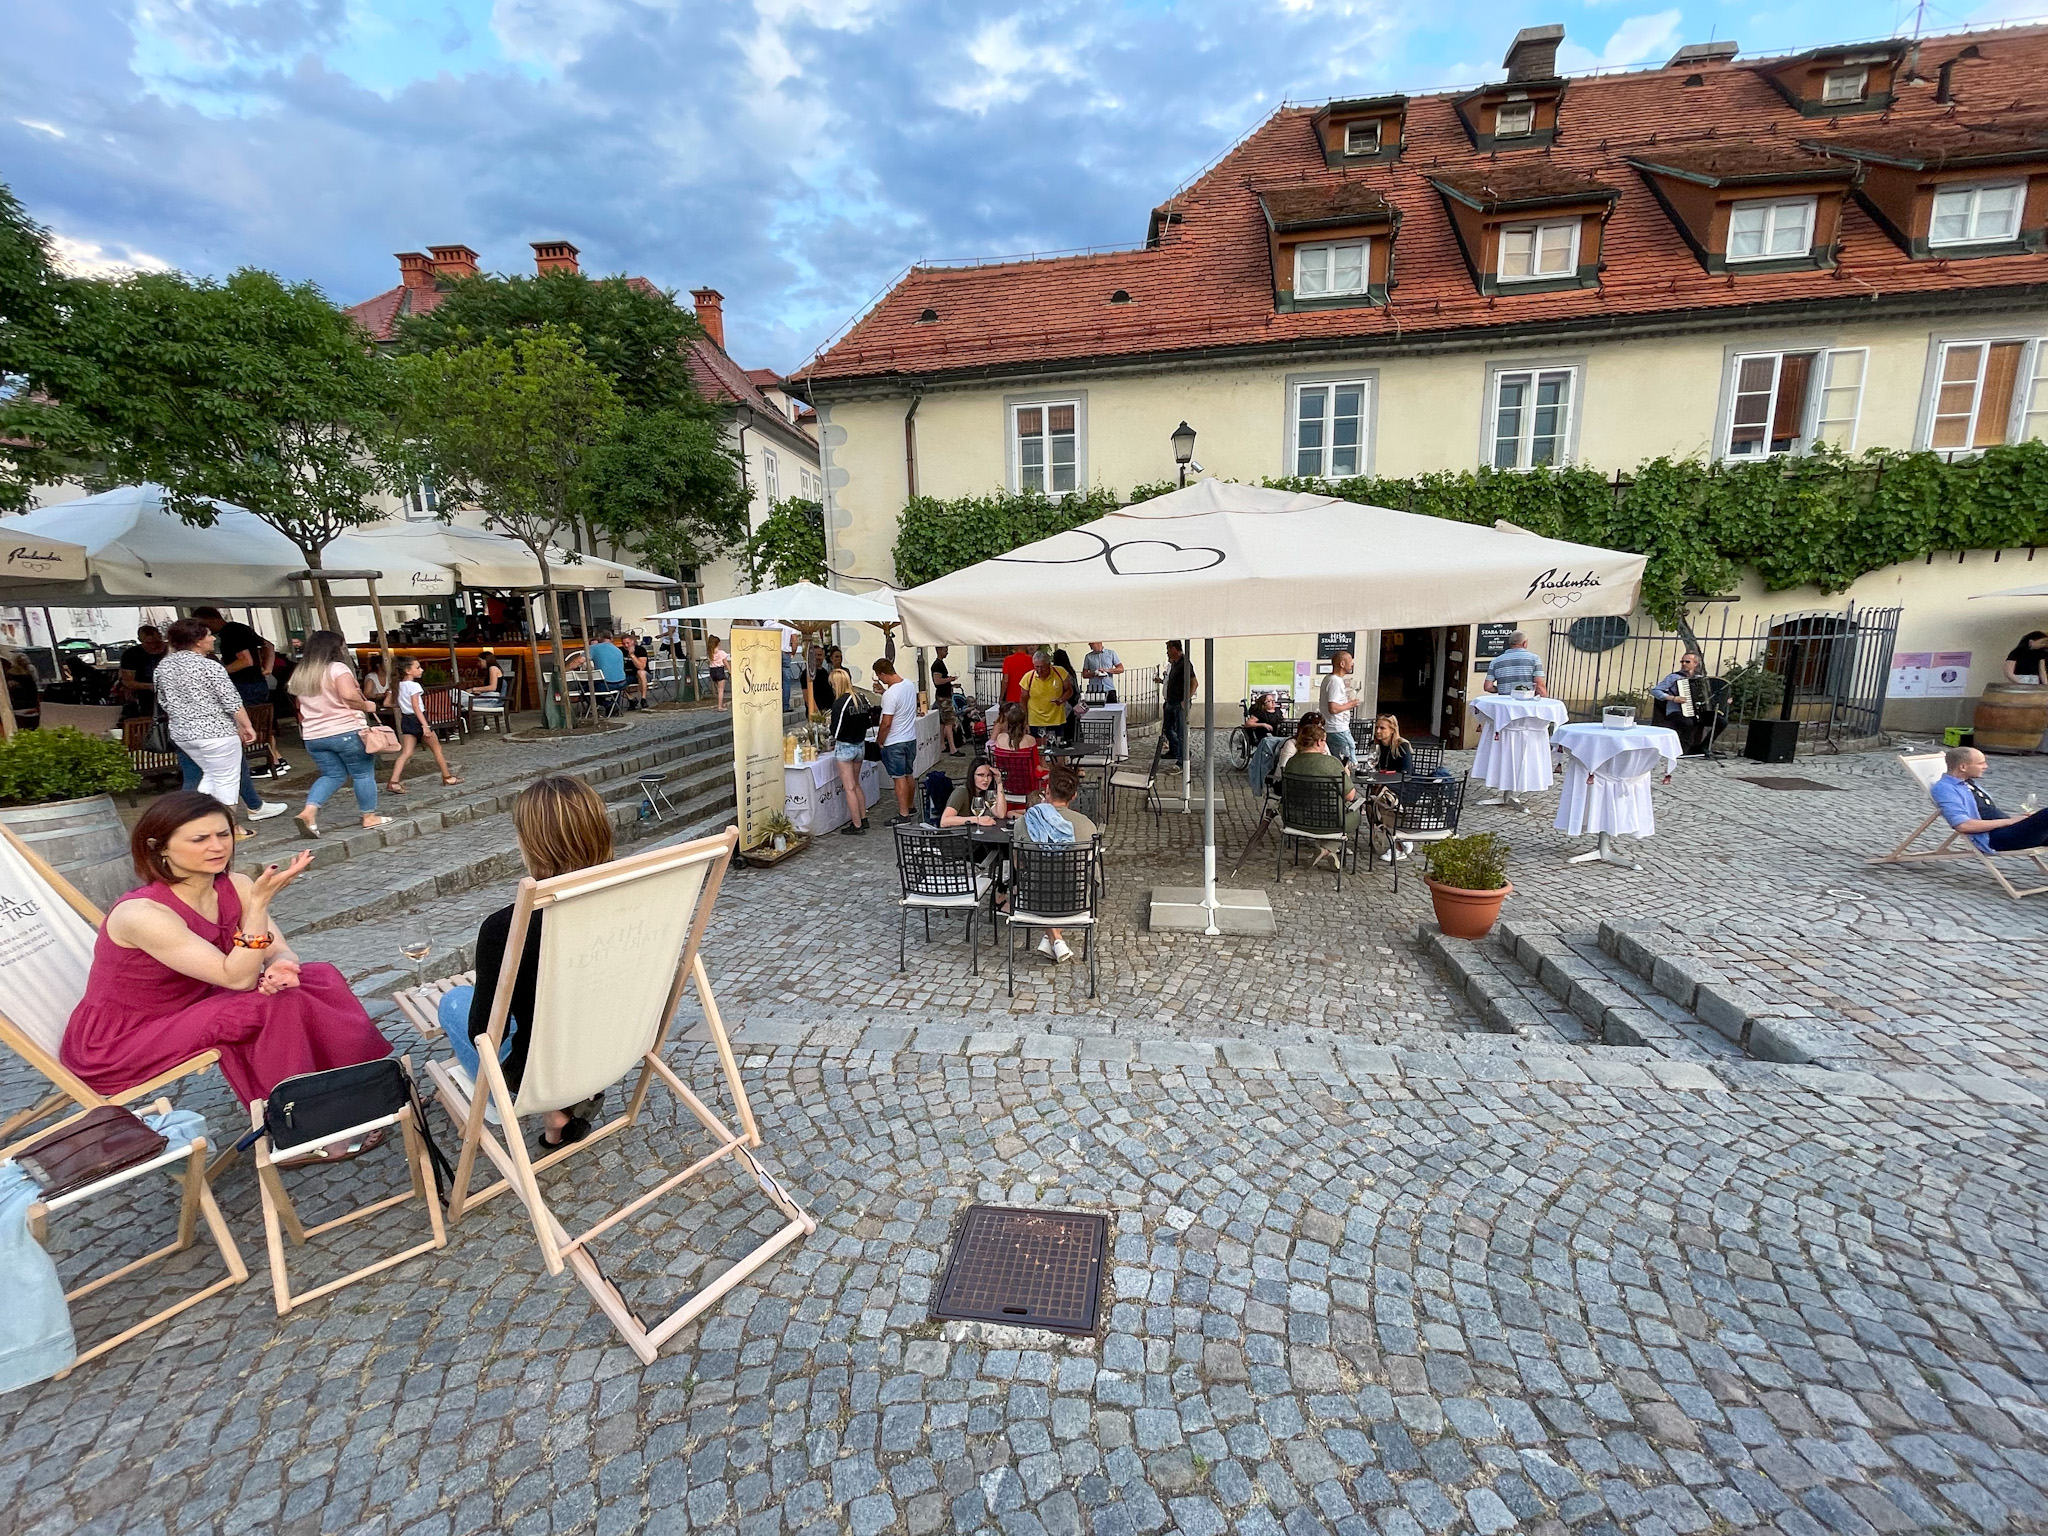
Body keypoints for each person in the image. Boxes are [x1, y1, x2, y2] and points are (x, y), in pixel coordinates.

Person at [61, 790, 392, 1114]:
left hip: (198, 1006)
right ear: (158, 847)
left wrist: (282, 966)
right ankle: (300, 1118)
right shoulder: (143, 915)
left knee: (318, 977)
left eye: (223, 834)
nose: (217, 846)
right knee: (265, 1006)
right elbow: (238, 979)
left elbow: (279, 951)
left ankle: (360, 1089)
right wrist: (260, 904)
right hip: (125, 1040)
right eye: (199, 839)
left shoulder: (236, 885)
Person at [433, 777, 614, 1150]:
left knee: (454, 1002)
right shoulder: (635, 898)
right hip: (613, 1043)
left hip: (541, 1068)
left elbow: (483, 1033)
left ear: (530, 843)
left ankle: (533, 1105)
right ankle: (559, 1111)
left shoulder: (508, 927)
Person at [154, 618, 286, 833]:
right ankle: (229, 828)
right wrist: (246, 726)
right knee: (227, 780)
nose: (213, 638)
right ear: (197, 641)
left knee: (209, 776)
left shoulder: (164, 666)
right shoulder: (209, 666)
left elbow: (163, 700)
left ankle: (199, 822)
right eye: (208, 635)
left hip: (183, 733)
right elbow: (231, 700)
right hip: (216, 732)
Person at [287, 632, 391, 838]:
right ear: (335, 648)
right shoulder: (337, 669)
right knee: (362, 773)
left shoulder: (301, 672)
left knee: (332, 775)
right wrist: (366, 705)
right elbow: (348, 696)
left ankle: (309, 811)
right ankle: (369, 816)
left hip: (313, 735)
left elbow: (298, 704)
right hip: (345, 730)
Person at [1013, 762, 1097, 962]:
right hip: (1075, 900)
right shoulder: (1088, 826)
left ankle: (1052, 937)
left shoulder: (1024, 821)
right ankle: (1055, 937)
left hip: (1034, 900)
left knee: (1041, 883)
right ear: (1074, 796)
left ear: (1047, 791)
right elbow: (1091, 868)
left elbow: (1019, 866)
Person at [1930, 747, 2048, 853]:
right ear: (1963, 767)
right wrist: (2010, 821)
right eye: (1981, 763)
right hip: (1994, 838)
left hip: (2008, 829)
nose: (1986, 766)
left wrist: (2019, 820)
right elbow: (1963, 825)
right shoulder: (1946, 789)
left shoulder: (1968, 783)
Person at [1280, 716, 1360, 869]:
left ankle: (1326, 849)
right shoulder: (1331, 763)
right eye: (1325, 741)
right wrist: (1346, 775)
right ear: (1318, 742)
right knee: (1354, 814)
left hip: (1296, 819)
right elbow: (1350, 796)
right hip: (1331, 821)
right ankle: (1327, 848)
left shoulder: (1292, 763)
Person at [190, 606, 273, 709]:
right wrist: (267, 668)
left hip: (245, 684)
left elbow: (245, 661)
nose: (204, 629)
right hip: (256, 682)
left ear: (213, 619)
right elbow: (268, 646)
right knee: (258, 717)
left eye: (204, 625)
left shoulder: (230, 632)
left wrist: (218, 671)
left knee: (245, 719)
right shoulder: (240, 628)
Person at [873, 654, 920, 824]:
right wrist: (884, 692)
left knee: (898, 778)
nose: (880, 679)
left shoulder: (890, 695)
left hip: (894, 741)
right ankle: (911, 805)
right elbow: (900, 702)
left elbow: (886, 722)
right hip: (910, 738)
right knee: (909, 774)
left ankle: (903, 814)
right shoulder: (908, 685)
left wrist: (879, 740)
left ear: (882, 674)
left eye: (879, 676)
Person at [828, 668, 871, 836]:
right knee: (856, 784)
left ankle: (857, 825)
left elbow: (836, 731)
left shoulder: (840, 703)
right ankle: (863, 817)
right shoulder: (861, 698)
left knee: (850, 788)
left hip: (845, 746)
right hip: (860, 744)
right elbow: (868, 722)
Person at [1651, 651, 1710, 753]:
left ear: (1695, 664)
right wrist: (1673, 698)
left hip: (1696, 712)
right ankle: (1683, 750)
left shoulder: (1700, 679)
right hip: (1675, 711)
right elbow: (1655, 691)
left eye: (1687, 662)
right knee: (1687, 722)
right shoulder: (1674, 677)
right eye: (1682, 661)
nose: (1683, 664)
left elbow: (1708, 696)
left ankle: (1702, 747)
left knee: (1721, 722)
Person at [942, 760, 1013, 828]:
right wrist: (976, 820)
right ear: (972, 776)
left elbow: (1001, 814)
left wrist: (999, 783)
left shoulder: (986, 793)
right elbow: (944, 821)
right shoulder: (961, 792)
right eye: (980, 775)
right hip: (959, 835)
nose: (986, 780)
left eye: (989, 775)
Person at [116, 624, 168, 718]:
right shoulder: (131, 654)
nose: (153, 646)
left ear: (161, 637)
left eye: (156, 642)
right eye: (148, 643)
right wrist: (150, 686)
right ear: (140, 640)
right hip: (145, 698)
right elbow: (127, 681)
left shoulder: (171, 651)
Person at [1320, 650, 1360, 762]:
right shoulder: (1335, 681)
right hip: (1338, 728)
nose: (1352, 663)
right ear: (1342, 664)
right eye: (1350, 660)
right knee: (1348, 761)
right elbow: (1333, 708)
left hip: (1333, 728)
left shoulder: (1329, 679)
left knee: (1337, 761)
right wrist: (1351, 704)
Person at [1024, 648, 1070, 743]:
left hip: (1056, 720)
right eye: (1037, 667)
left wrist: (1061, 699)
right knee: (1040, 750)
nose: (1039, 670)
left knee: (1058, 750)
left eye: (1042, 667)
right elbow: (1023, 700)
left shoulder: (1060, 672)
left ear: (1049, 664)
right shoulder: (1028, 677)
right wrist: (1025, 722)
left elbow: (1069, 690)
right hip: (1035, 721)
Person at [1162, 640, 1197, 766]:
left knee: (1180, 732)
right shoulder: (1174, 664)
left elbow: (1194, 683)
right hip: (1170, 702)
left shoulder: (1185, 663)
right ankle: (1174, 751)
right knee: (1168, 728)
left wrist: (1186, 700)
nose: (1167, 652)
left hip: (1179, 703)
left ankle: (1183, 759)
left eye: (1168, 649)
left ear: (1175, 649)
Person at [1484, 631, 1548, 697]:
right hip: (1526, 701)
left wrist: (1501, 689)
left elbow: (1488, 687)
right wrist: (1545, 701)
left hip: (1505, 703)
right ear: (1524, 643)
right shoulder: (1534, 659)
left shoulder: (1496, 661)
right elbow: (1539, 685)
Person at [587, 628, 628, 712]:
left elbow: (579, 660)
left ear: (599, 638)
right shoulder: (618, 650)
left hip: (606, 685)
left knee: (585, 689)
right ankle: (616, 707)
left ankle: (608, 705)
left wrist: (566, 668)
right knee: (617, 686)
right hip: (622, 683)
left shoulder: (594, 648)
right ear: (611, 638)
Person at [0, 648, 40, 731]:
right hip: (31, 708)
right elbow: (34, 690)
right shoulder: (29, 675)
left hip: (17, 709)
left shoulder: (10, 677)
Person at [930, 645, 958, 754]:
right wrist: (950, 679)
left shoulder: (939, 664)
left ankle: (942, 745)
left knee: (942, 722)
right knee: (949, 721)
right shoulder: (937, 665)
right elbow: (938, 681)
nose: (947, 653)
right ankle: (952, 748)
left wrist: (951, 685)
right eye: (945, 650)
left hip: (943, 695)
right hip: (943, 697)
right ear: (939, 650)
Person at [810, 645, 837, 718]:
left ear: (823, 657)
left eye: (819, 655)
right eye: (815, 655)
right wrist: (818, 714)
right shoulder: (807, 674)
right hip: (818, 714)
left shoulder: (825, 673)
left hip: (829, 712)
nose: (817, 657)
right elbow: (808, 697)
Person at [708, 634, 730, 711]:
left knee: (718, 689)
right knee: (721, 690)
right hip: (719, 670)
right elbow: (725, 663)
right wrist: (730, 671)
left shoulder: (710, 653)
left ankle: (721, 703)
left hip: (712, 671)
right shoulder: (721, 653)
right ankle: (720, 706)